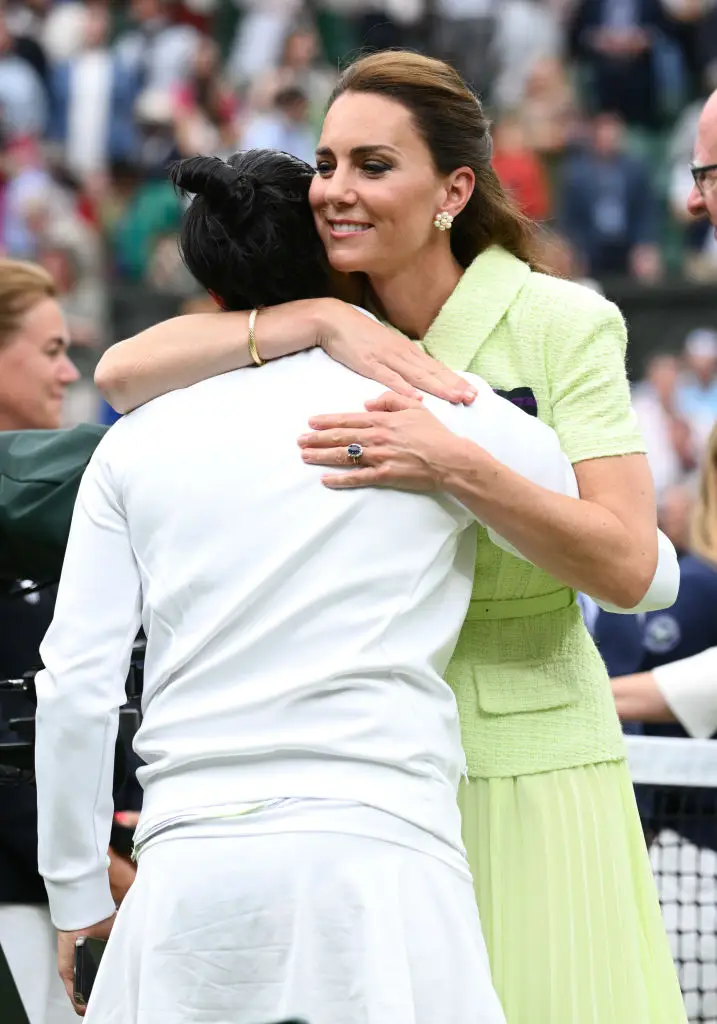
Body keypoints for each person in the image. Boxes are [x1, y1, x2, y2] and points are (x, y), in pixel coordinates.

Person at [93, 53, 684, 1023]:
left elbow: (627, 565)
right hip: (366, 775)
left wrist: (455, 462)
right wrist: (317, 315)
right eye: (326, 163)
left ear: (454, 189)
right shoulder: (323, 309)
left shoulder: (560, 321)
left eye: (372, 165)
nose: (334, 191)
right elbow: (122, 371)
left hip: (527, 768)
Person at [0, 260, 135, 1024]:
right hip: (24, 901)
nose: (67, 371)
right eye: (49, 349)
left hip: (83, 885)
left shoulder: (68, 497)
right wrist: (108, 878)